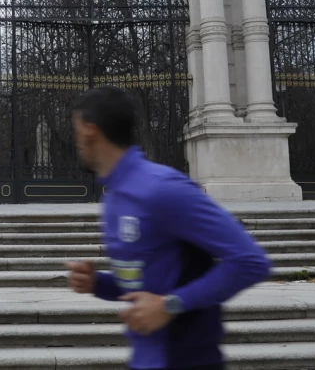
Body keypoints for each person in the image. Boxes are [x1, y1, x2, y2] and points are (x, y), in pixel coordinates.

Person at [65, 86, 272, 370]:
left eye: (76, 131)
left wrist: (170, 305)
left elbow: (251, 261)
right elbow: (144, 283)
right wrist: (97, 283)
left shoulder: (164, 189)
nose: (76, 142)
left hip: (188, 360)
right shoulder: (114, 195)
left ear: (90, 131)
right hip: (145, 359)